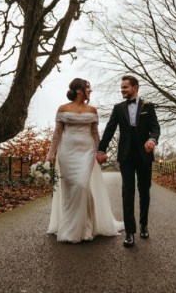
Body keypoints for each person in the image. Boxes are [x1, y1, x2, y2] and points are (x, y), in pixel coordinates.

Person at [46, 78, 124, 243]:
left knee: (81, 185)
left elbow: (95, 133)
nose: (90, 90)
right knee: (71, 190)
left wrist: (99, 151)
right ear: (79, 90)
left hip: (86, 152)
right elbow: (57, 133)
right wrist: (51, 154)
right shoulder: (63, 108)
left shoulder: (92, 110)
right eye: (88, 88)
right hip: (67, 152)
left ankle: (85, 228)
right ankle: (75, 227)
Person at [97, 75, 160, 248]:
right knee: (127, 192)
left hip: (144, 154)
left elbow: (155, 128)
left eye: (125, 87)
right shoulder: (118, 108)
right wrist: (101, 149)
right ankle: (130, 233)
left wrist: (152, 140)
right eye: (122, 87)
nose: (122, 90)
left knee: (144, 190)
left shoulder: (149, 106)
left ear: (135, 87)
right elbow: (110, 129)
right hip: (125, 155)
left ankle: (144, 225)